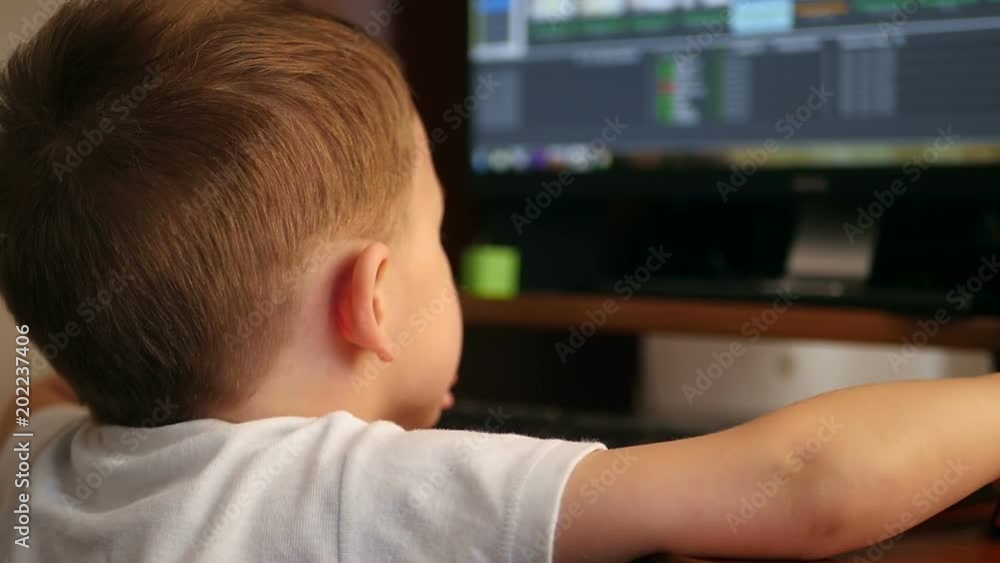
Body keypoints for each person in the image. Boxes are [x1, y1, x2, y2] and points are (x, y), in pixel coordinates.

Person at [1, 1, 998, 561]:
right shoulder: (359, 491)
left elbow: (39, 400)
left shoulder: (36, 465)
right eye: (436, 233)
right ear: (372, 301)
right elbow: (802, 484)